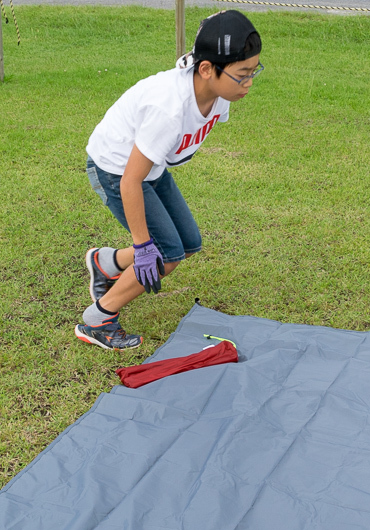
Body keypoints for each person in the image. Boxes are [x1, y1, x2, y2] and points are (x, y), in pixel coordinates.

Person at [76, 10, 263, 349]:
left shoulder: (219, 96)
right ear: (206, 69)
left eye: (253, 71)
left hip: (151, 170)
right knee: (167, 254)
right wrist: (142, 245)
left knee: (189, 243)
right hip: (115, 170)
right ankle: (98, 319)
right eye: (242, 74)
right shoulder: (168, 110)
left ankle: (107, 263)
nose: (249, 82)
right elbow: (129, 182)